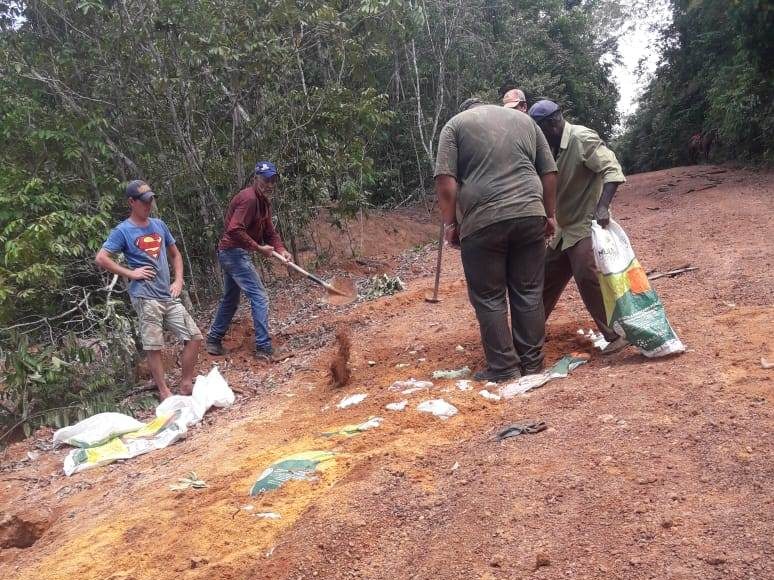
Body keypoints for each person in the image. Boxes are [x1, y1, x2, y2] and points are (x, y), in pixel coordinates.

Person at [435, 98, 558, 382]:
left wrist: (451, 223)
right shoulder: (525, 121)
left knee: (489, 296)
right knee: (528, 290)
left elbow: (445, 182)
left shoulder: (454, 126)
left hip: (482, 220)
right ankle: (532, 364)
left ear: (466, 110)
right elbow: (549, 172)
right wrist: (549, 214)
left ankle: (504, 368)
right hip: (529, 213)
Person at [528, 99, 629, 354]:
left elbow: (612, 170)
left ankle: (616, 335)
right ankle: (529, 335)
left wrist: (603, 206)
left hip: (585, 223)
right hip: (564, 229)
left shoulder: (582, 138)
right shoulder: (549, 148)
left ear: (552, 123)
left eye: (539, 129)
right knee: (543, 279)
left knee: (587, 276)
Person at [95, 180, 202, 400]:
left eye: (150, 200)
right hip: (145, 296)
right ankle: (164, 392)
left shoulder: (159, 225)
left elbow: (175, 254)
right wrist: (130, 273)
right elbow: (101, 258)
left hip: (167, 294)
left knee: (194, 336)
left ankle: (185, 383)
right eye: (144, 201)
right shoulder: (123, 231)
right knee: (154, 346)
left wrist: (178, 280)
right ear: (131, 202)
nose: (148, 205)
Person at [205, 161, 293, 362]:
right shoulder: (249, 199)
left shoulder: (263, 203)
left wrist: (281, 250)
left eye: (272, 180)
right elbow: (234, 229)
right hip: (233, 253)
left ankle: (213, 340)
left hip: (232, 253)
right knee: (260, 296)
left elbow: (270, 232)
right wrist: (258, 248)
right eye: (265, 180)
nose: (269, 184)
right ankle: (263, 348)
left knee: (231, 298)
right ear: (255, 179)